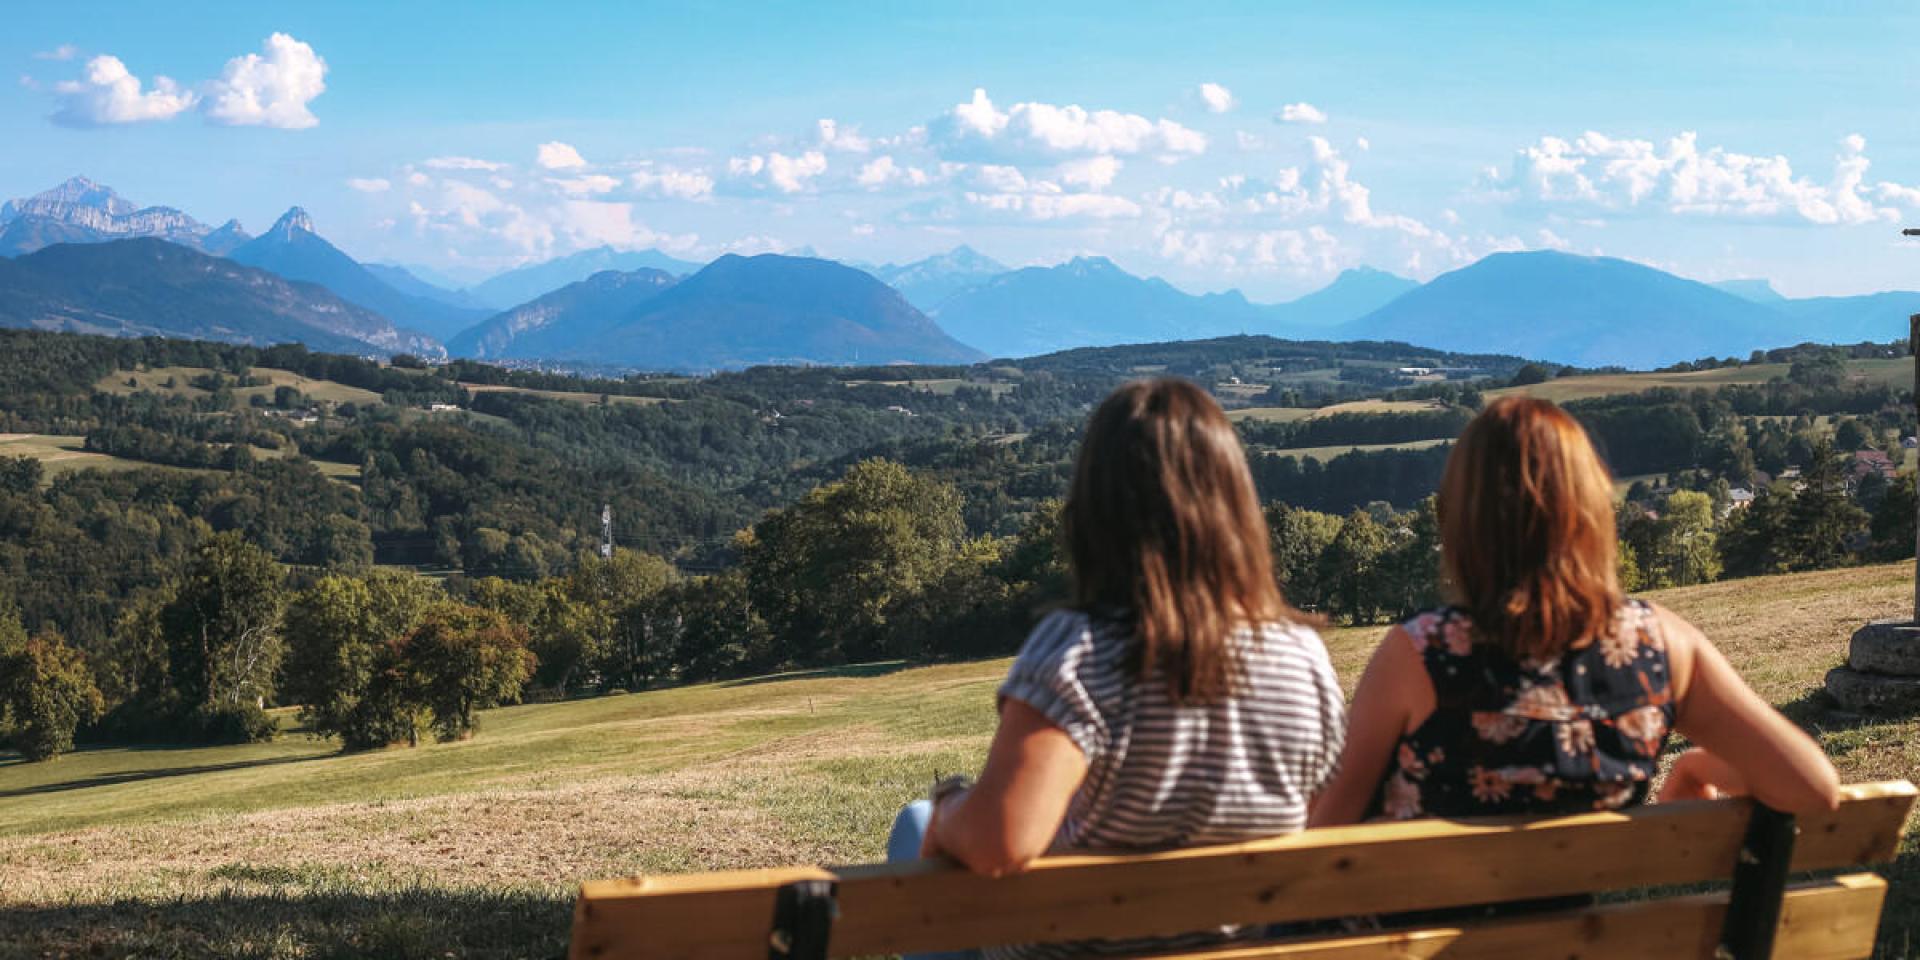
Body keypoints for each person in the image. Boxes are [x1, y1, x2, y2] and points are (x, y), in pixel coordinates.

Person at [886, 377, 1346, 960]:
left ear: (1096, 509)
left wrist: (949, 807)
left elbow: (1001, 841)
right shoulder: (1302, 656)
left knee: (915, 821)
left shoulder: (1081, 649)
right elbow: (1325, 823)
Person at [1310, 396, 1839, 832]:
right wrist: (1698, 763)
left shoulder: (1422, 654)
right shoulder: (1661, 647)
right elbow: (1814, 787)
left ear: (1464, 519)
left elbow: (1321, 838)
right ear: (1589, 510)